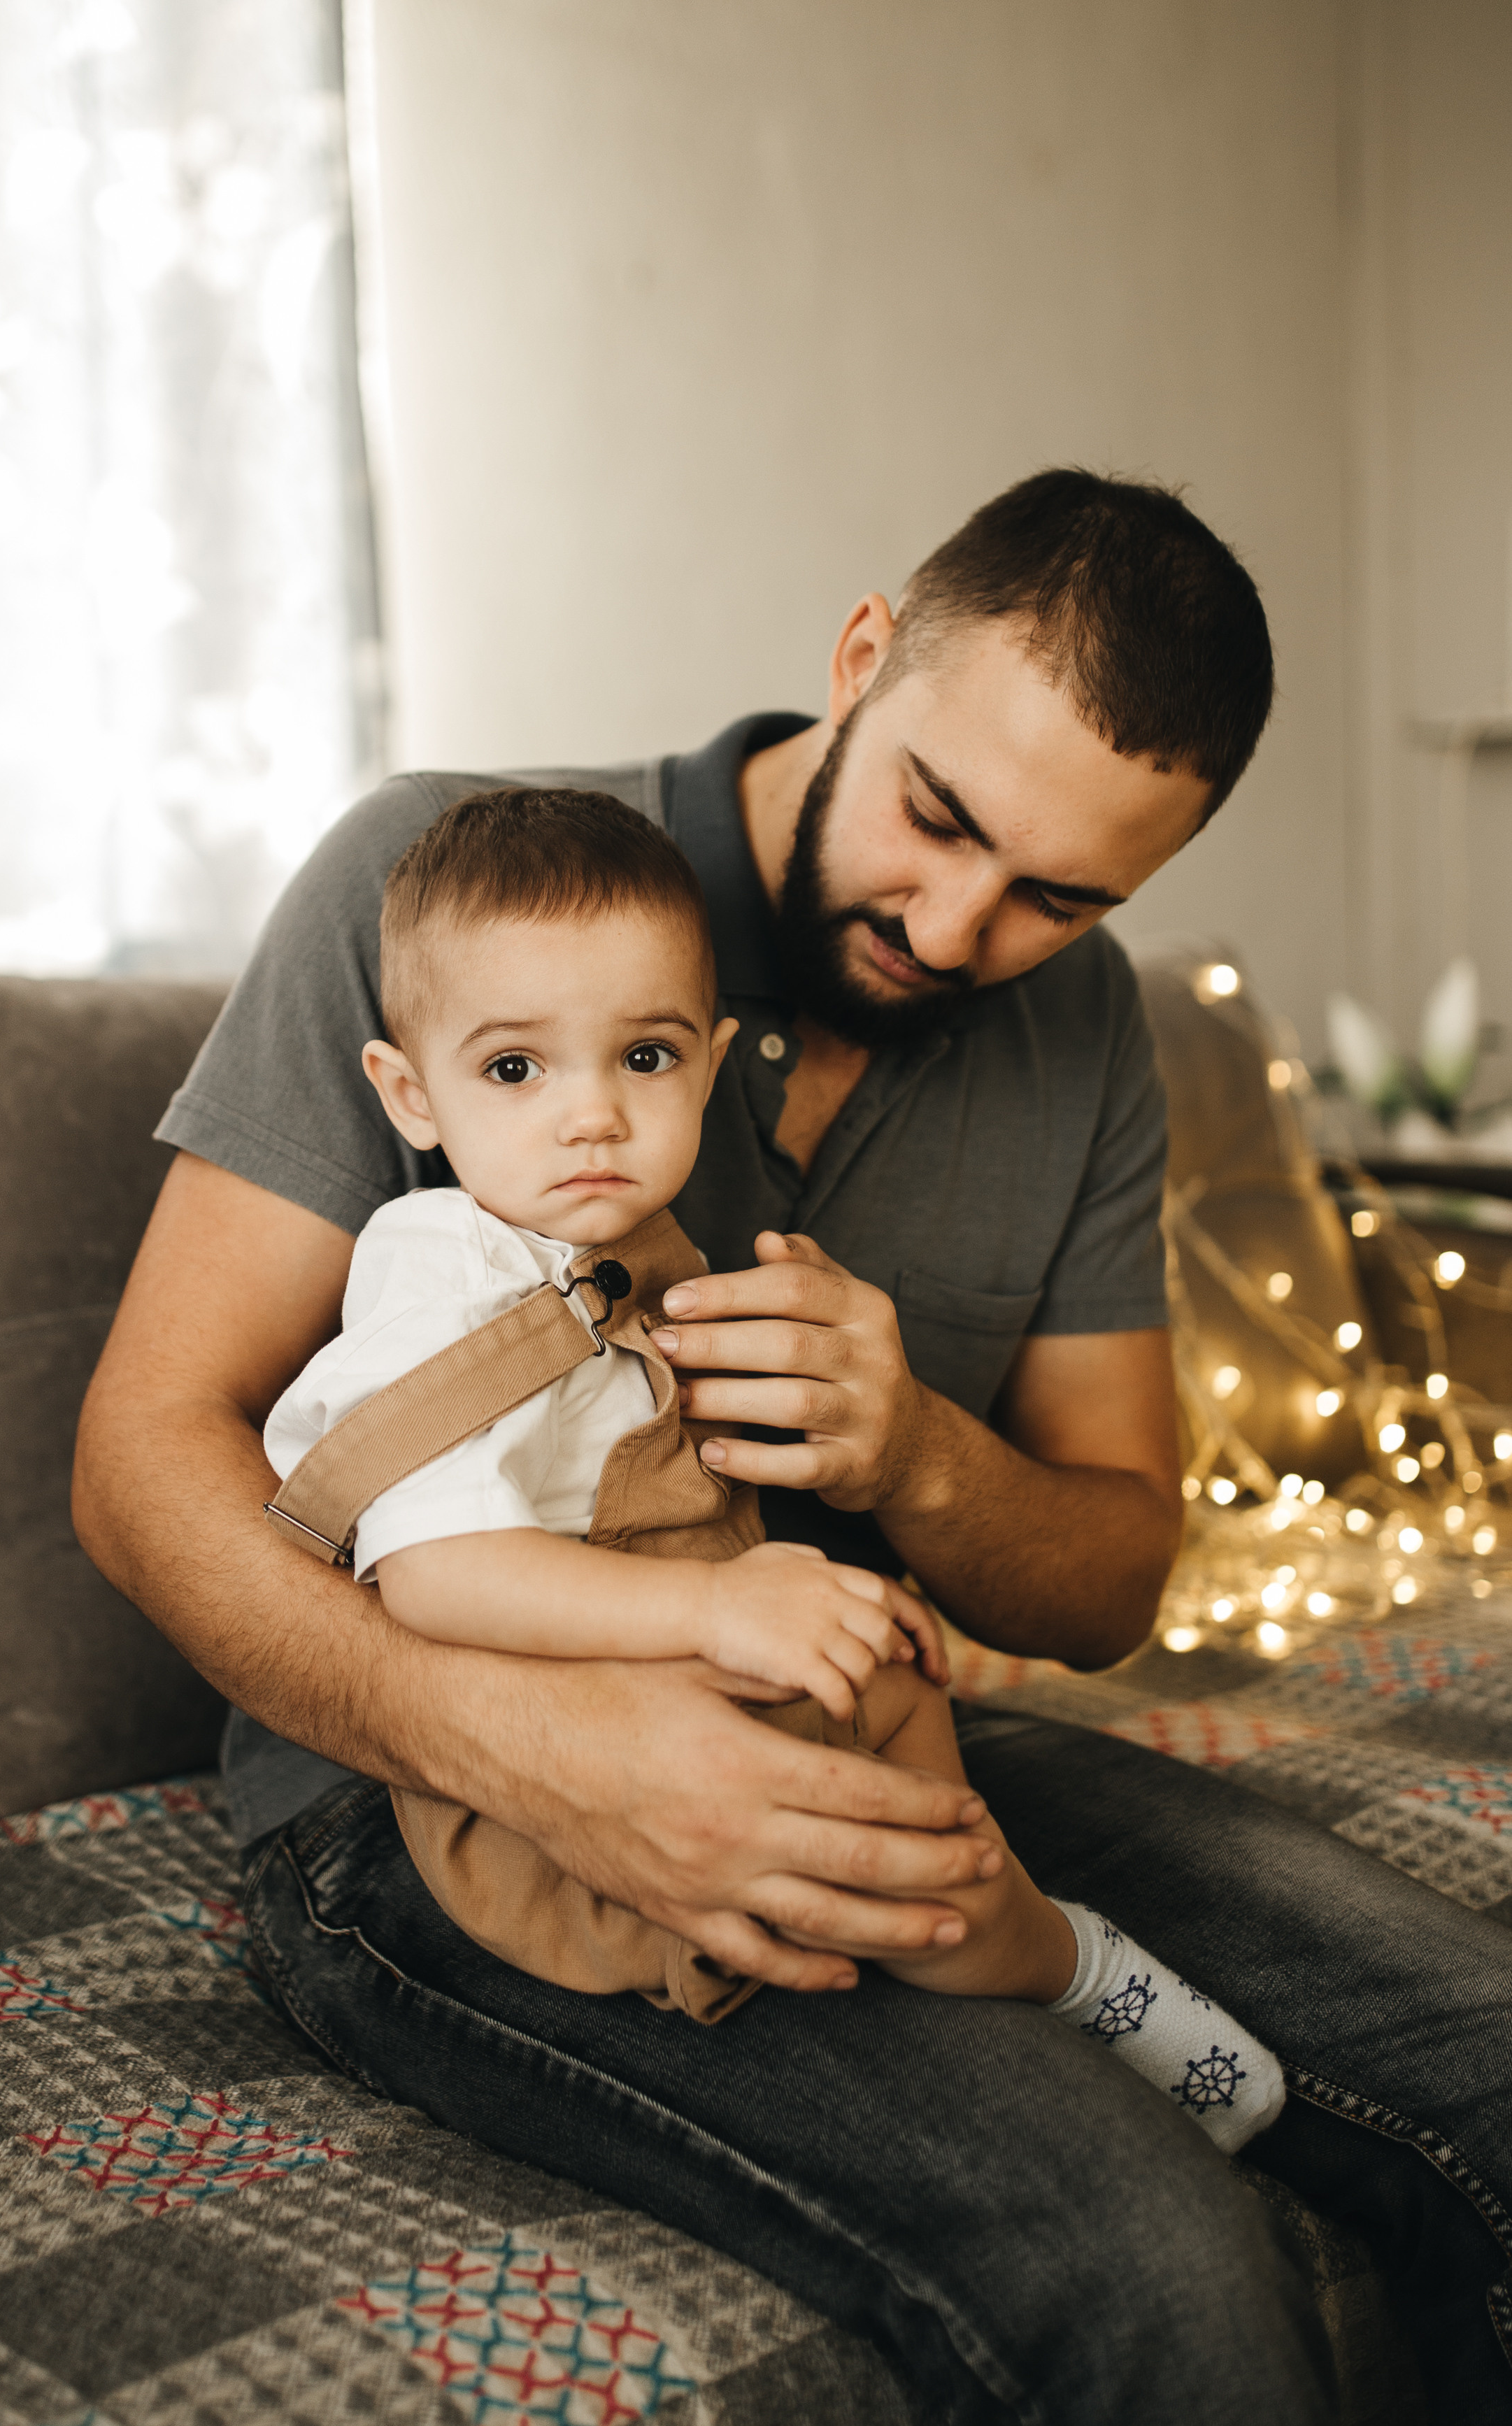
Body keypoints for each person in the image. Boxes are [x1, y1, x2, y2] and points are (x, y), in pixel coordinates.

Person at [75, 469, 1512, 2426]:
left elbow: (1104, 1580)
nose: (952, 925)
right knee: (1159, 2269)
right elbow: (140, 1455)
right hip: (412, 1797)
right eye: (936, 817)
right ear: (857, 661)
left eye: (1059, 894)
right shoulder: (448, 887)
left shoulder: (1077, 1028)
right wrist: (542, 1749)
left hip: (831, 1708)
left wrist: (916, 1449)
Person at [261, 783, 1286, 2145]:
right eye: (516, 1069)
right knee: (857, 1785)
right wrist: (718, 1608)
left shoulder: (632, 1249)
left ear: (711, 1057)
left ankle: (1004, 1929)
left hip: (650, 1650)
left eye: (644, 1059)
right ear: (412, 1092)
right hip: (524, 1757)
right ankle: (1041, 1960)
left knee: (890, 1668)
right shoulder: (448, 1267)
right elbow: (439, 1576)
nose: (592, 1119)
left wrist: (816, 1572)